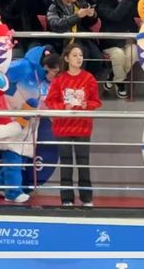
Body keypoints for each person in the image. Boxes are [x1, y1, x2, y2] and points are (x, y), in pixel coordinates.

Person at [45, 43, 102, 207]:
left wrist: (86, 105)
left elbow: (96, 101)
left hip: (82, 126)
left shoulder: (88, 78)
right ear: (67, 58)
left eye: (81, 55)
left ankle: (86, 198)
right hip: (63, 127)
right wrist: (64, 107)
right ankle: (67, 198)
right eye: (75, 55)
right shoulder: (59, 79)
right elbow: (50, 101)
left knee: (83, 163)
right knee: (66, 163)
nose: (79, 58)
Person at [95, 0, 140, 98]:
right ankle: (120, 82)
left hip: (127, 36)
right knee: (119, 55)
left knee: (134, 53)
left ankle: (113, 76)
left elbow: (132, 13)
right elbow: (115, 16)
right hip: (111, 39)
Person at [46, 0, 103, 73]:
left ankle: (88, 79)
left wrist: (92, 15)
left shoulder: (80, 1)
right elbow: (55, 25)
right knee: (81, 53)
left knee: (97, 58)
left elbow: (89, 23)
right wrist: (77, 16)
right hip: (63, 41)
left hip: (81, 37)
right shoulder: (54, 6)